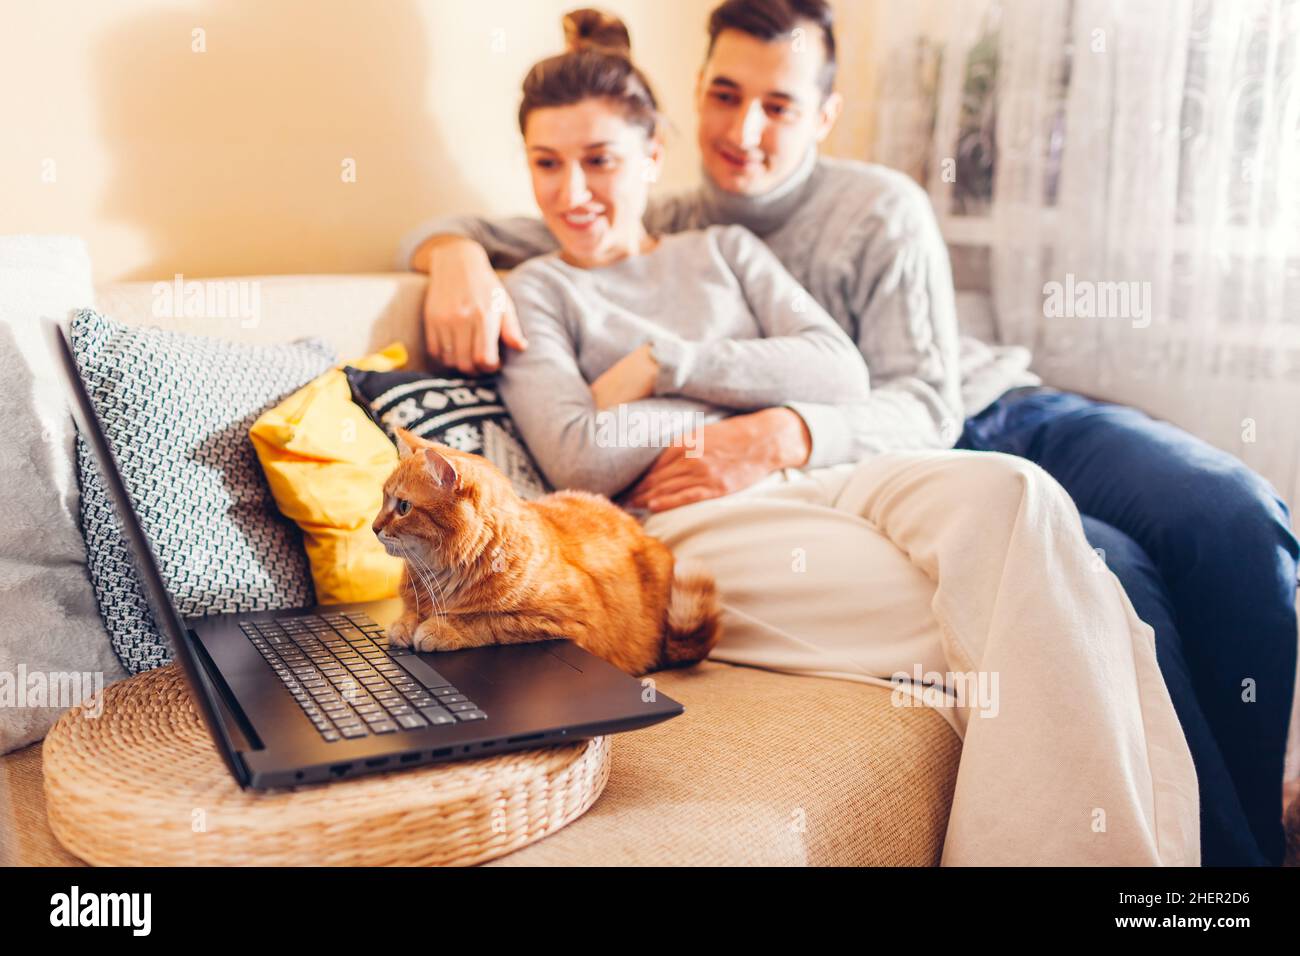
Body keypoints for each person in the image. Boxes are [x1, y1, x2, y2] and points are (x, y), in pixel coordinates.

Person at [397, 0, 1297, 867]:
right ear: (696, 95)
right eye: (726, 95)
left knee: (1222, 522)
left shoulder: (830, 219)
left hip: (964, 414)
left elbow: (867, 381)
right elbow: (565, 385)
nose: (745, 130)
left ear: (824, 114)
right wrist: (453, 253)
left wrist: (683, 376)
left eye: (778, 104)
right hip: (768, 482)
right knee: (1104, 569)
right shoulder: (643, 228)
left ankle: (1243, 848)